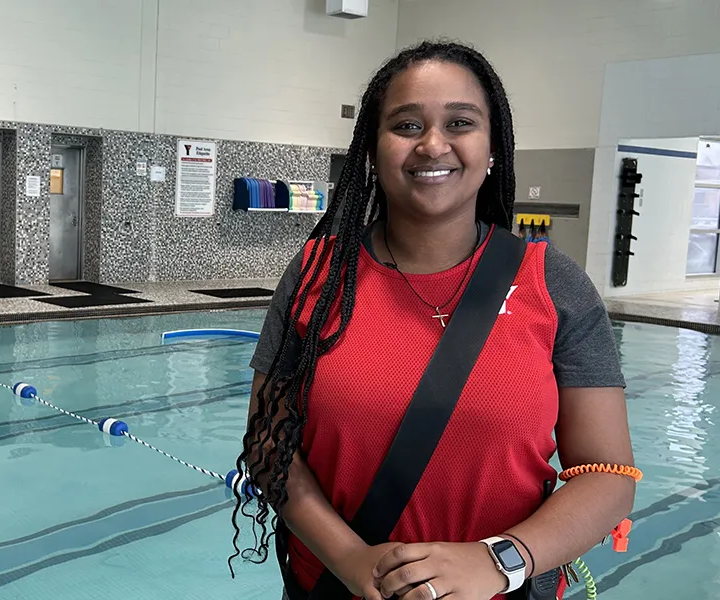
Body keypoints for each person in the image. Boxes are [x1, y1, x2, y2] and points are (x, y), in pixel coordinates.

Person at [234, 40, 636, 600]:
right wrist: (352, 560)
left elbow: (607, 475)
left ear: (492, 147)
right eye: (406, 124)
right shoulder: (317, 275)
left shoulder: (554, 285)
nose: (432, 144)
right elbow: (268, 441)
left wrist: (500, 561)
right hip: (331, 586)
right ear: (373, 149)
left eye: (460, 122)